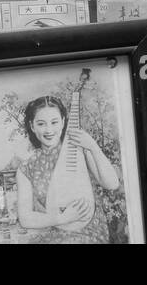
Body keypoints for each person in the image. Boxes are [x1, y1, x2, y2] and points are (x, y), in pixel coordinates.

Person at [14, 95, 120, 244]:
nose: (49, 129)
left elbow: (112, 184)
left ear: (63, 122)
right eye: (41, 123)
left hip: (89, 232)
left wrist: (93, 146)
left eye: (54, 122)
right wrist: (62, 218)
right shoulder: (26, 168)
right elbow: (25, 218)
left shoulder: (79, 150)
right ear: (32, 126)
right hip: (53, 233)